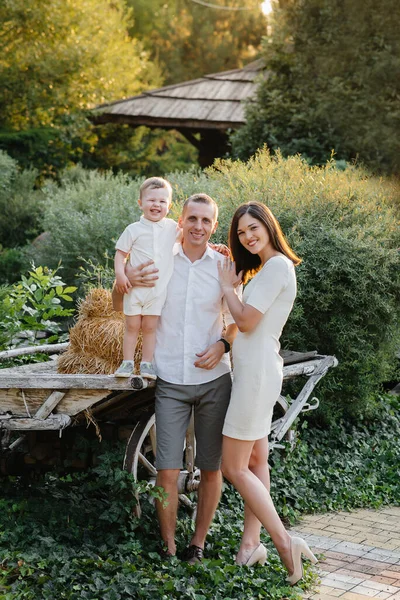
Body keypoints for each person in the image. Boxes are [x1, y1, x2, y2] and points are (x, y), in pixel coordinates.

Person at [123, 193, 239, 562]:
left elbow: (239, 318)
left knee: (210, 467)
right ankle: (170, 547)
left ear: (214, 226)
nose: (199, 227)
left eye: (206, 221)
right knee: (167, 471)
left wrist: (223, 344)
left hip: (215, 381)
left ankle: (197, 544)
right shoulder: (160, 261)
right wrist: (124, 277)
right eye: (192, 219)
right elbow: (120, 304)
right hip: (171, 380)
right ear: (180, 220)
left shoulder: (224, 264)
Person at [217, 201, 317, 585]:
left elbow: (246, 321)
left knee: (233, 467)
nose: (247, 236)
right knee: (257, 460)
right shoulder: (267, 269)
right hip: (255, 369)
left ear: (268, 226)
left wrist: (228, 288)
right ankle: (250, 543)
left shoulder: (277, 267)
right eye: (241, 232)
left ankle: (284, 540)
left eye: (253, 227)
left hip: (256, 373)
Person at [113, 177, 181, 380]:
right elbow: (120, 254)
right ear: (140, 203)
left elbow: (194, 238)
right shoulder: (133, 229)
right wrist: (120, 275)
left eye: (162, 201)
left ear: (169, 206)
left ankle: (147, 364)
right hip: (134, 290)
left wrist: (216, 248)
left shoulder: (172, 228)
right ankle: (126, 363)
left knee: (150, 328)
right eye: (151, 200)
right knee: (132, 326)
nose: (156, 205)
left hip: (157, 290)